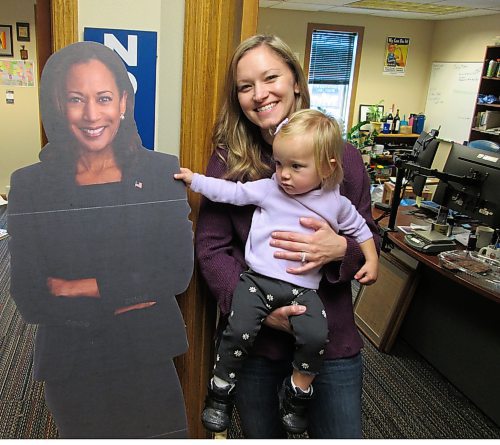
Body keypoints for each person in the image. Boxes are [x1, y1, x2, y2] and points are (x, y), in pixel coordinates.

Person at [195, 34, 381, 439]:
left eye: (270, 78)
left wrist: (340, 250)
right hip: (256, 340)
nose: (259, 95)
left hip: (328, 339)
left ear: (296, 80)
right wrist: (255, 307)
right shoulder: (230, 159)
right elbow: (211, 248)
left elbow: (370, 237)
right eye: (246, 86)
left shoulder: (342, 156)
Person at [7, 42, 193, 439]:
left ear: (123, 101)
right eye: (76, 99)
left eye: (104, 98)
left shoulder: (162, 171)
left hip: (148, 354)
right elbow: (29, 296)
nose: (92, 114)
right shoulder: (30, 185)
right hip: (71, 359)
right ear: (58, 105)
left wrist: (80, 287)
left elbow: (175, 274)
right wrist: (130, 293)